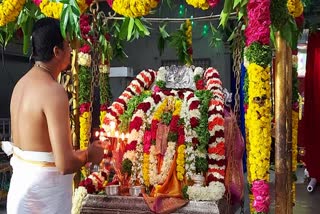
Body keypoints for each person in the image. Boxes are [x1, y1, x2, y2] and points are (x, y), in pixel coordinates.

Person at [7, 17, 104, 213]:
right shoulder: (53, 91)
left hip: (20, 193)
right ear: (56, 51)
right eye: (68, 45)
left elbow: (38, 153)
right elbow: (64, 164)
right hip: (42, 200)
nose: (71, 51)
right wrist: (90, 154)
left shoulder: (20, 85)